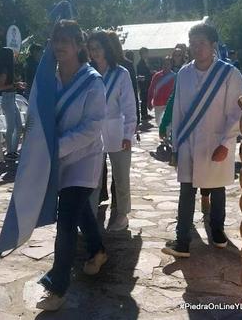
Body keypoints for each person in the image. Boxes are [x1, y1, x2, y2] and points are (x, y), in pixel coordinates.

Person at [37, 20, 106, 311]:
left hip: (83, 160)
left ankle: (58, 286)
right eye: (56, 39)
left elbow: (93, 128)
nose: (60, 45)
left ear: (80, 45)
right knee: (80, 213)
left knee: (65, 221)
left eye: (66, 40)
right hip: (56, 160)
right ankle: (98, 250)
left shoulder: (92, 81)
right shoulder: (47, 78)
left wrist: (56, 147)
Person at [162, 23, 242, 258]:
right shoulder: (184, 73)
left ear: (213, 45)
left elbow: (236, 112)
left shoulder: (229, 74)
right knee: (186, 190)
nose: (197, 48)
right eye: (193, 43)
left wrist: (226, 143)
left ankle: (217, 232)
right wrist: (175, 144)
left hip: (216, 142)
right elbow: (178, 111)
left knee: (217, 189)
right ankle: (182, 240)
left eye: (202, 43)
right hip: (188, 142)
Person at [87, 31, 137, 231]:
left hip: (117, 132)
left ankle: (122, 214)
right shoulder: (87, 73)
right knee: (92, 178)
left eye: (97, 48)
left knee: (121, 177)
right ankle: (89, 216)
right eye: (91, 49)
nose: (94, 52)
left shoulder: (121, 74)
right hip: (93, 134)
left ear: (106, 48)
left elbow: (129, 106)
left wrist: (128, 134)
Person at [0, 47, 25, 160]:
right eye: (12, 54)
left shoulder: (9, 69)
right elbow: (0, 87)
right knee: (11, 127)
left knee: (18, 126)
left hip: (12, 98)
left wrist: (17, 85)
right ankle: (9, 152)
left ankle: (13, 150)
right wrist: (15, 86)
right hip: (7, 99)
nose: (14, 56)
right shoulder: (5, 70)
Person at [147, 55, 175, 127]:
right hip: (158, 103)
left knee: (168, 123)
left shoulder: (174, 76)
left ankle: (167, 136)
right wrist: (149, 101)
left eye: (168, 64)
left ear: (171, 65)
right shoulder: (157, 76)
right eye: (164, 64)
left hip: (169, 104)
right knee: (159, 122)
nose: (166, 66)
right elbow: (151, 88)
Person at [136, 47, 152, 120]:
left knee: (145, 99)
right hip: (143, 84)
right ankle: (143, 114)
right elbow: (142, 74)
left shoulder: (144, 62)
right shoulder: (140, 64)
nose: (147, 54)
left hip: (146, 83)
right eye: (146, 53)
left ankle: (145, 113)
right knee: (144, 99)